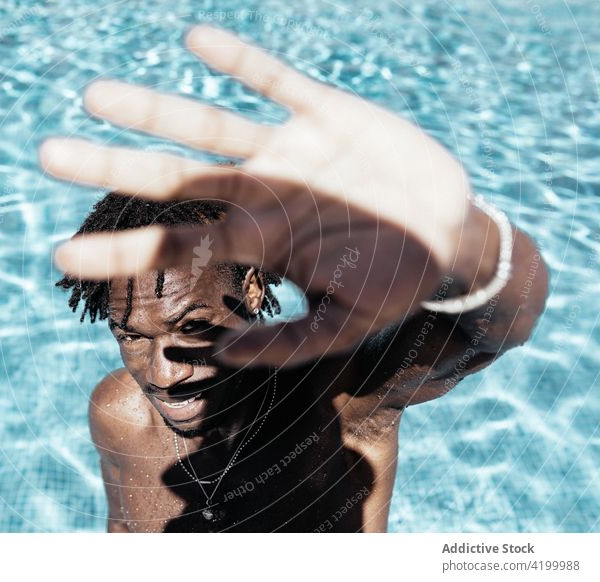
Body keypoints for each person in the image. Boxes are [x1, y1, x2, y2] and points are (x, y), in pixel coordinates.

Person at [39, 25, 548, 532]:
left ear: (253, 289)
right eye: (131, 335)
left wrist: (461, 236)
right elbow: (122, 531)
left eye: (193, 328)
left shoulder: (339, 403)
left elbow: (496, 329)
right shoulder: (120, 412)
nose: (163, 376)